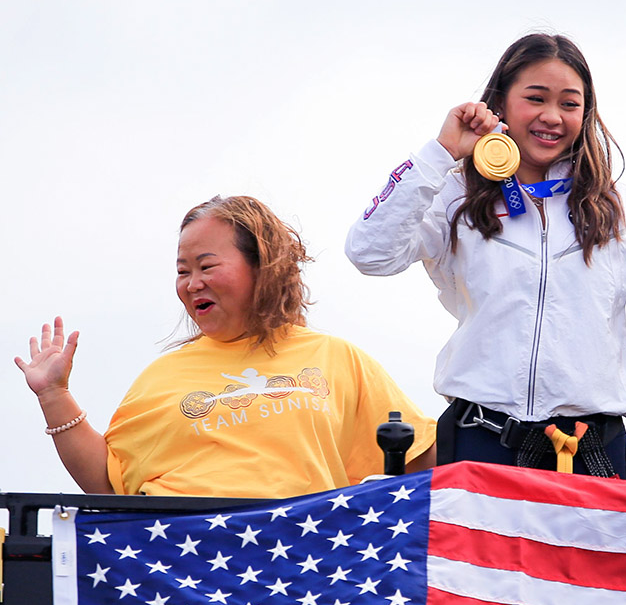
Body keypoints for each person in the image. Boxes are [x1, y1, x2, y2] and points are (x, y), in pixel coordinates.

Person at [345, 32, 626, 479]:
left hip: (592, 452)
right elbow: (370, 253)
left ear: (587, 112)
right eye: (535, 98)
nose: (552, 116)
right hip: (479, 445)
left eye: (569, 103)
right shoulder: (453, 195)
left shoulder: (623, 208)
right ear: (500, 101)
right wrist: (440, 154)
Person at [16, 195, 436, 498]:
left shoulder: (337, 358)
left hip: (298, 572)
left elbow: (421, 462)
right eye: (183, 270)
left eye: (207, 266)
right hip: (180, 568)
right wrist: (54, 395)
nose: (191, 283)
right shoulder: (161, 377)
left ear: (263, 264)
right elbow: (109, 484)